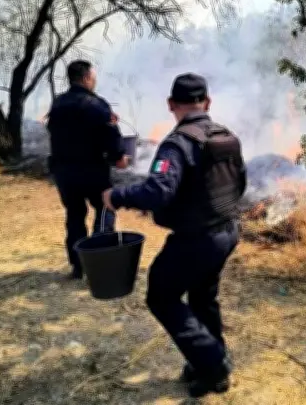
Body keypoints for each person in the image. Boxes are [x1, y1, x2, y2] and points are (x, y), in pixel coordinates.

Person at [102, 73, 246, 398]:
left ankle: (212, 363)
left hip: (197, 239)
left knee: (161, 296)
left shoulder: (178, 144)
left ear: (171, 105)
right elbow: (241, 184)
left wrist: (119, 196)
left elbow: (158, 190)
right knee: (202, 297)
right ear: (207, 103)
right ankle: (209, 366)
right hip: (227, 232)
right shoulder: (227, 137)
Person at [47, 60, 129, 280]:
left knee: (74, 216)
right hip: (92, 171)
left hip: (64, 172)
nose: (94, 81)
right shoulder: (96, 104)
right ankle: (99, 262)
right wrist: (119, 157)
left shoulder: (58, 103)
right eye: (93, 77)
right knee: (105, 208)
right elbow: (110, 137)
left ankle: (78, 266)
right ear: (85, 79)